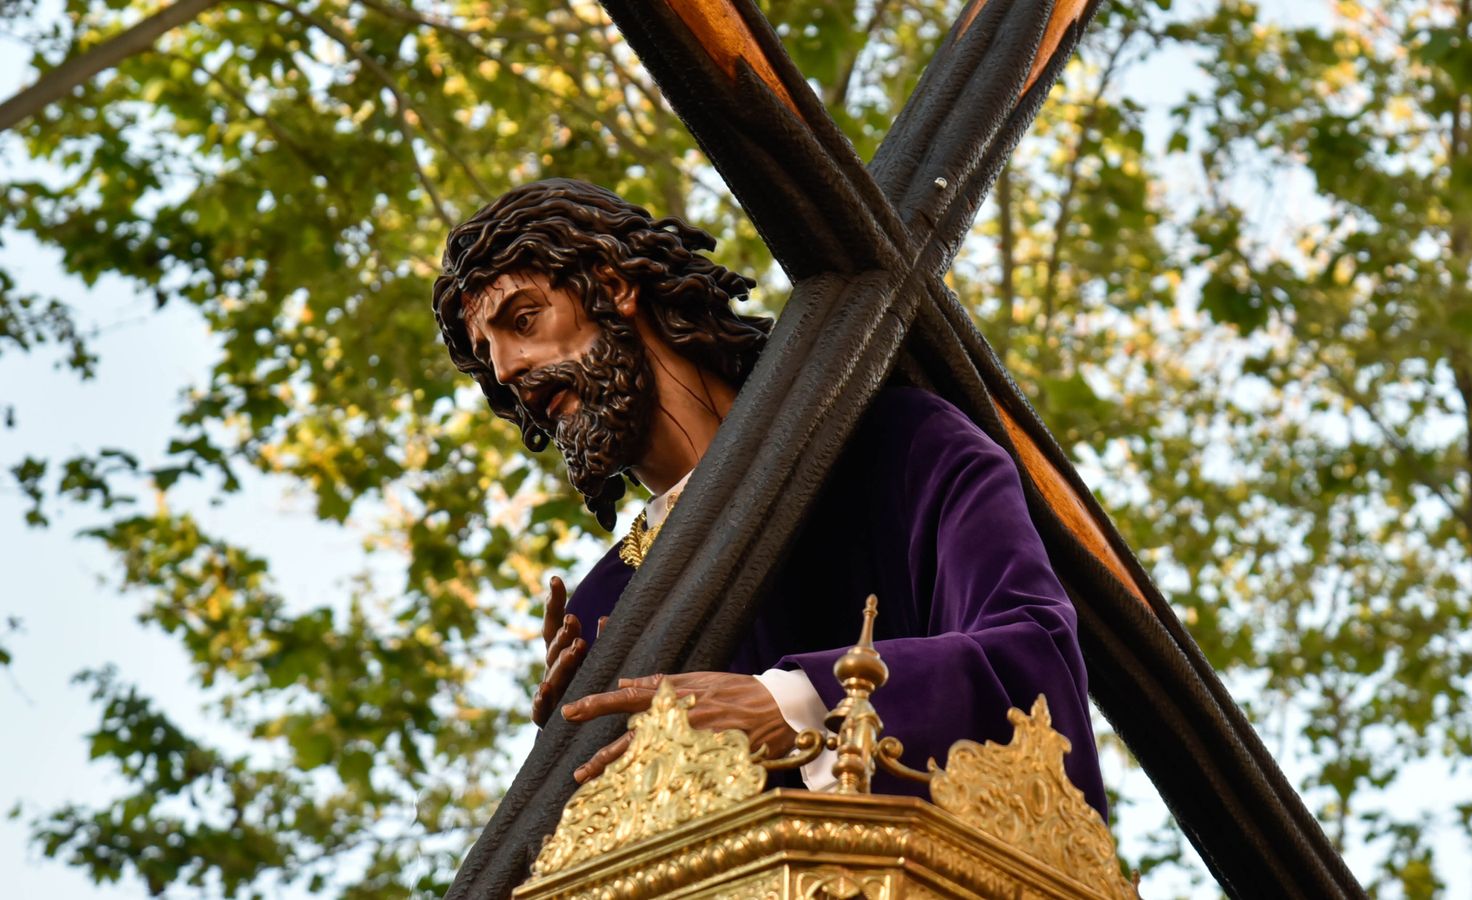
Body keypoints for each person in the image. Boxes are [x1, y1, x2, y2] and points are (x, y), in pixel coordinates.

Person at [432, 179, 1106, 816]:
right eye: (487, 354)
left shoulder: (894, 447)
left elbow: (1033, 667)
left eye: (522, 320)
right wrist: (570, 775)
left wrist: (799, 708)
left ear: (612, 285)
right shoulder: (607, 603)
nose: (506, 369)